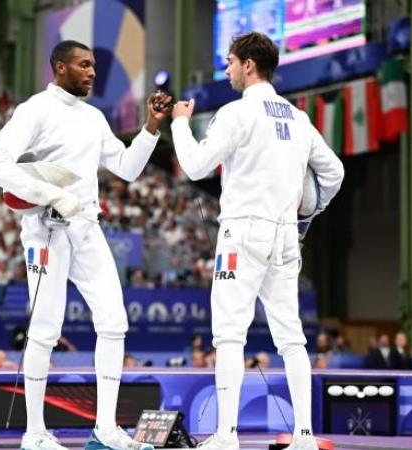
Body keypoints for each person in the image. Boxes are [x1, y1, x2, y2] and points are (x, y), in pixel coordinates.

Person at [0, 40, 171, 450]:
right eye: (83, 65)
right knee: (46, 329)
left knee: (114, 321)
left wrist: (151, 127)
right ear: (59, 68)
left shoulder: (93, 117)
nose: (91, 71)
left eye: (93, 65)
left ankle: (104, 429)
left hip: (87, 226)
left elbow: (127, 169)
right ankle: (34, 434)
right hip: (46, 229)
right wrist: (50, 195)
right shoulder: (35, 110)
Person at [170, 32, 344, 450]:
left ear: (249, 64)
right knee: (292, 338)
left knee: (229, 337)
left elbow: (195, 167)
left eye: (230, 61)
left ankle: (226, 436)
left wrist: (179, 123)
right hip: (285, 235)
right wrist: (307, 211)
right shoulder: (297, 117)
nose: (227, 69)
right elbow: (333, 172)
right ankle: (304, 436)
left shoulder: (236, 113)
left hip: (243, 234)